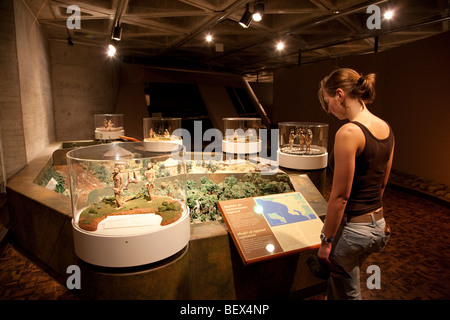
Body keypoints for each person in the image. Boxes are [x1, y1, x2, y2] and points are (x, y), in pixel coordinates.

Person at [317, 68, 395, 300]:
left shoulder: (348, 132)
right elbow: (381, 185)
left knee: (349, 295)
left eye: (328, 101)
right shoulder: (386, 128)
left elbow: (340, 197)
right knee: (337, 287)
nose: (329, 109)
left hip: (353, 232)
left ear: (340, 95)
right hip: (378, 227)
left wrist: (326, 240)